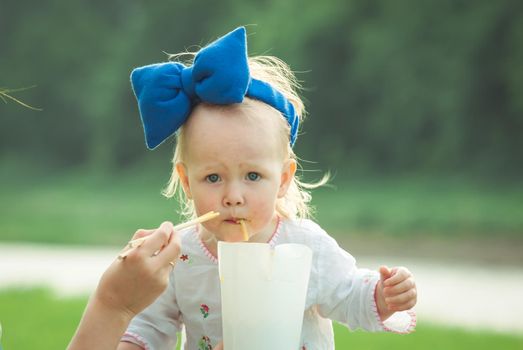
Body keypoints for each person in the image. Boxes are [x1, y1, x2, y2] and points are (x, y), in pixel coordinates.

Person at [71, 26, 417, 350]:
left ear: (282, 179)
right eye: (213, 177)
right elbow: (147, 328)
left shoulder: (303, 246)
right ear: (186, 181)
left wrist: (384, 295)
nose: (233, 196)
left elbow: (348, 293)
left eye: (252, 176)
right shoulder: (180, 258)